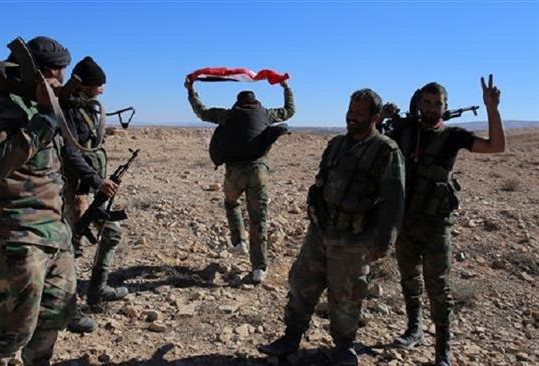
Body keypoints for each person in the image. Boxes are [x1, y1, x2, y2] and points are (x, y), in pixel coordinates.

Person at [258, 89, 405, 365]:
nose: (352, 117)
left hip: (354, 238)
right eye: (351, 111)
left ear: (374, 117)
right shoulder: (337, 144)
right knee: (302, 284)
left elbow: (394, 199)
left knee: (346, 295)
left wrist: (384, 242)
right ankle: (290, 337)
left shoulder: (386, 150)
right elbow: (322, 181)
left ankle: (344, 346)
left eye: (360, 113)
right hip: (321, 231)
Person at [0, 36, 76, 365]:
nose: (61, 81)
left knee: (56, 314)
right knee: (12, 330)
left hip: (53, 230)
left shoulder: (35, 103)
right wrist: (45, 116)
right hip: (14, 231)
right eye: (56, 74)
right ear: (37, 73)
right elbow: (0, 160)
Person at [386, 76, 505, 366]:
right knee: (409, 279)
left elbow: (496, 146)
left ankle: (443, 350)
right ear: (419, 104)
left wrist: (492, 108)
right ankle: (414, 329)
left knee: (438, 286)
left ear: (445, 106)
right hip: (404, 221)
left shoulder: (453, 137)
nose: (431, 108)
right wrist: (384, 116)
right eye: (426, 103)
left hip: (436, 224)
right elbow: (375, 144)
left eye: (437, 104)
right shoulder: (404, 131)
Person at [184, 78, 295, 283]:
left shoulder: (228, 115)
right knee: (258, 219)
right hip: (258, 171)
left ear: (238, 102)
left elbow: (201, 112)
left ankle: (238, 241)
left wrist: (191, 91)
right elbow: (289, 110)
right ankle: (259, 269)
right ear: (256, 102)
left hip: (235, 172)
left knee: (231, 203)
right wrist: (286, 87)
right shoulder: (266, 114)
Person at [60, 56, 128, 309]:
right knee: (73, 244)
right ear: (85, 85)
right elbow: (71, 152)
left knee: (110, 233)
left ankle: (96, 290)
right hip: (76, 189)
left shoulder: (86, 108)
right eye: (99, 85)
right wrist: (97, 180)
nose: (102, 89)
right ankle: (68, 302)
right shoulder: (67, 110)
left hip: (89, 187)